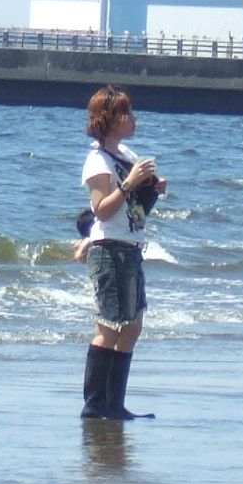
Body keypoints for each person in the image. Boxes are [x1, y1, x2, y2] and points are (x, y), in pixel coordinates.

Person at [79, 86, 162, 420]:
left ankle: (114, 403)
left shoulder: (125, 155)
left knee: (133, 324)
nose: (133, 118)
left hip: (129, 246)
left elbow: (135, 210)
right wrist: (129, 185)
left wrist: (150, 189)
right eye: (126, 113)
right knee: (110, 325)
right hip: (109, 247)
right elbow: (101, 209)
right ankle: (96, 403)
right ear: (109, 120)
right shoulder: (98, 160)